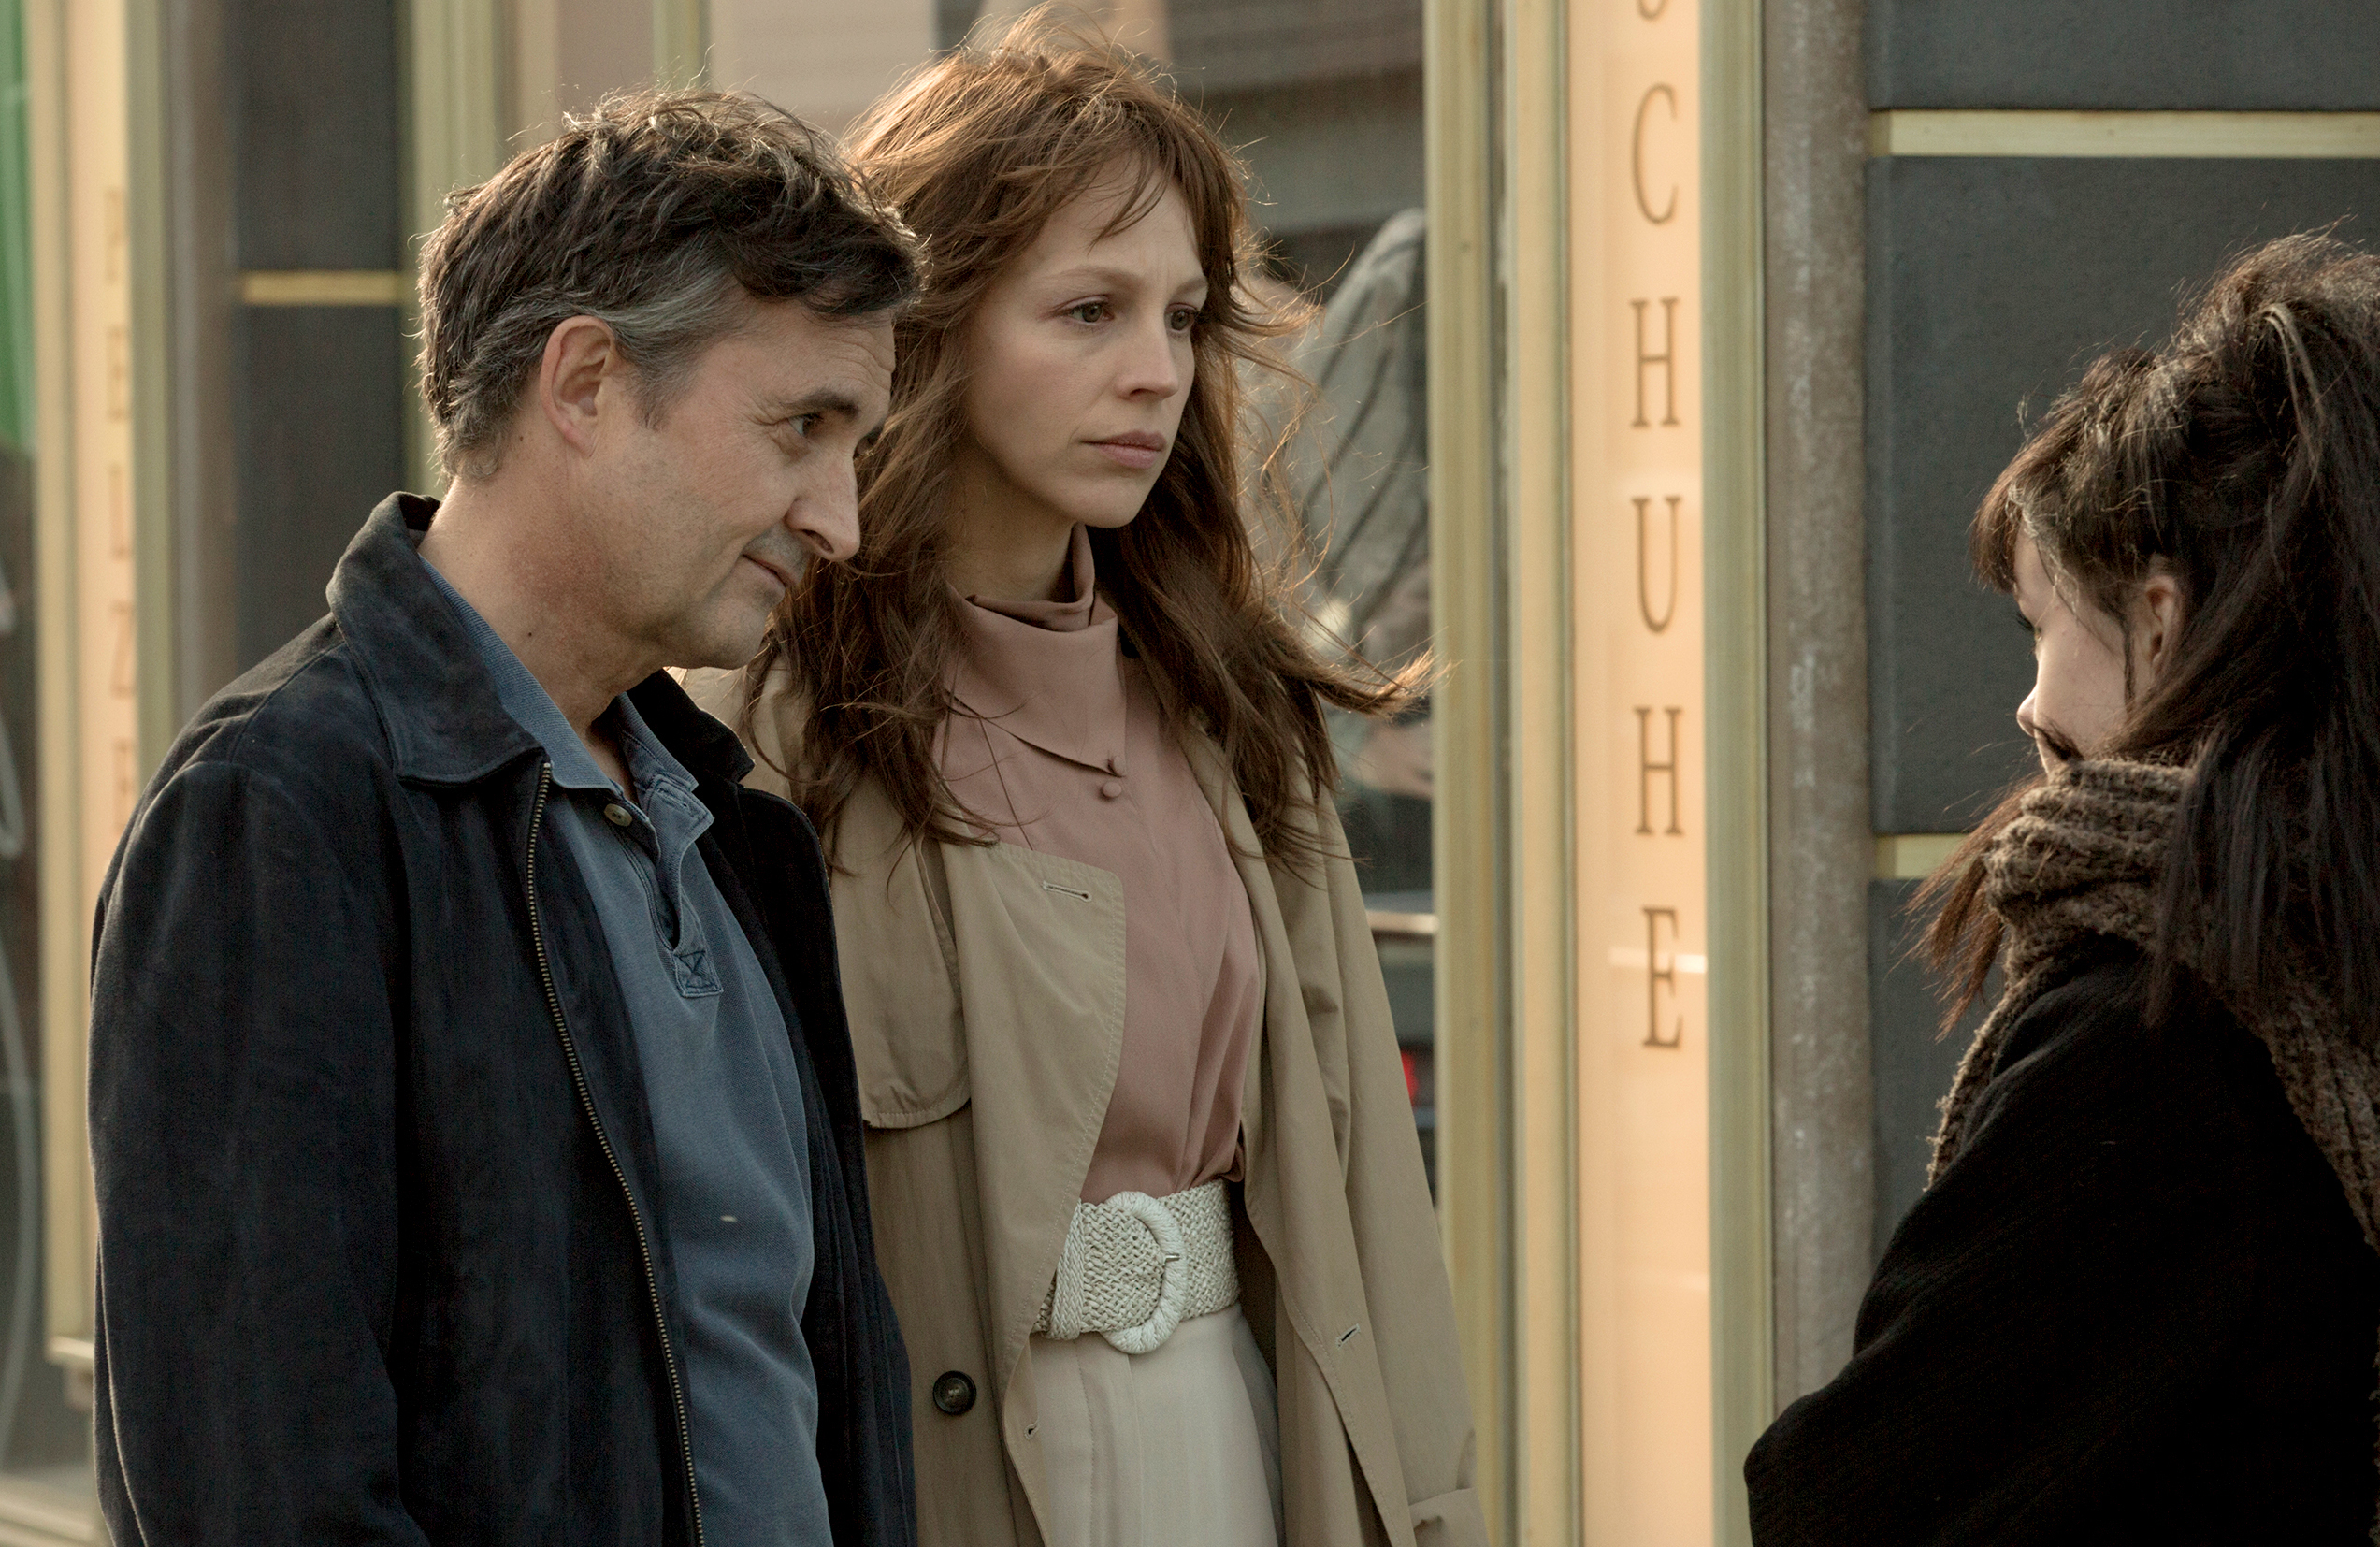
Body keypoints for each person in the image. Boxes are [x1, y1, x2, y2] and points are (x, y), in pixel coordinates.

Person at [1744, 235, 2380, 1546]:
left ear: (2161, 618)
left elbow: (1843, 1501)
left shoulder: (2153, 1043)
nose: (2026, 705)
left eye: (2041, 626)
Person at [88, 92, 924, 1545]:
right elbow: (256, 1485)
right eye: (802, 426)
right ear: (585, 382)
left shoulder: (745, 843)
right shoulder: (277, 814)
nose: (840, 519)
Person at [685, 23, 1482, 1547]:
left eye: (1181, 317)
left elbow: (1366, 1206)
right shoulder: (764, 728)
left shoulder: (1232, 712)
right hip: (934, 1465)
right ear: (929, 325)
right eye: (1087, 310)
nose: (1154, 372)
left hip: (1230, 1435)